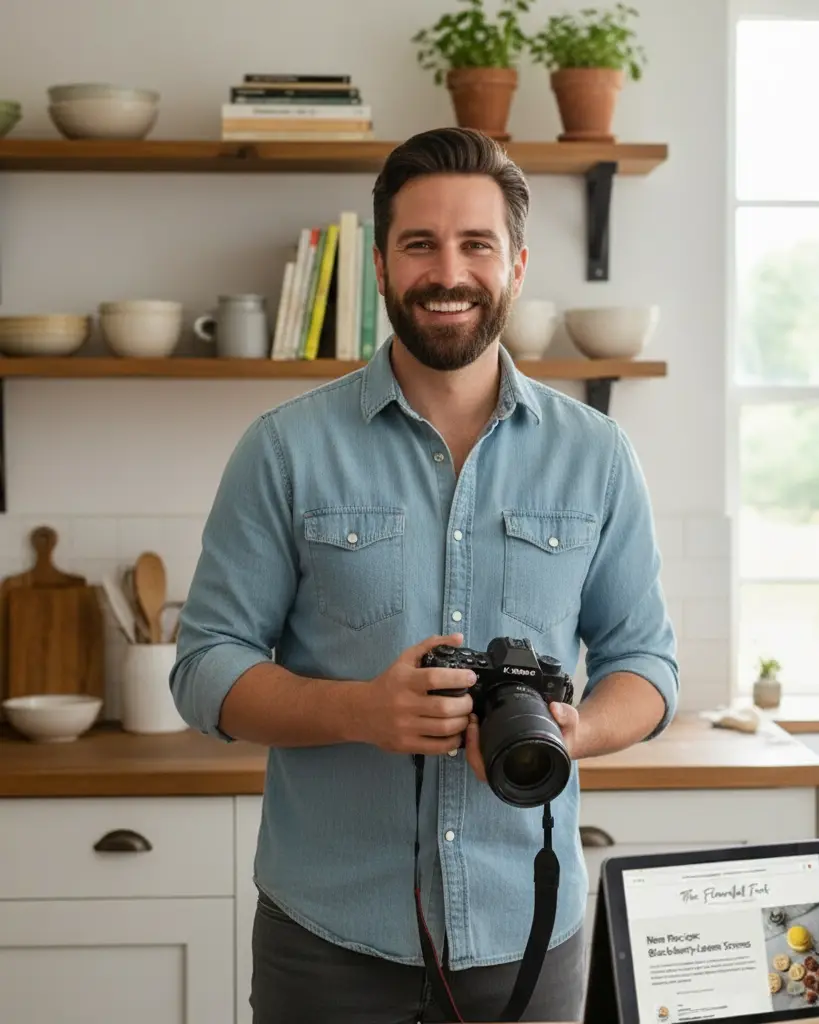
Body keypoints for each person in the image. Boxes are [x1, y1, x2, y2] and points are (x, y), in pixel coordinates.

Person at [169, 125, 679, 1024]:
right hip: (327, 939)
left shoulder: (597, 456)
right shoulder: (284, 450)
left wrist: (575, 732)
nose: (450, 272)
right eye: (420, 244)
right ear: (380, 266)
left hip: (527, 932)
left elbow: (648, 666)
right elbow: (205, 665)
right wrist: (360, 711)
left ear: (516, 266)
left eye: (476, 244)